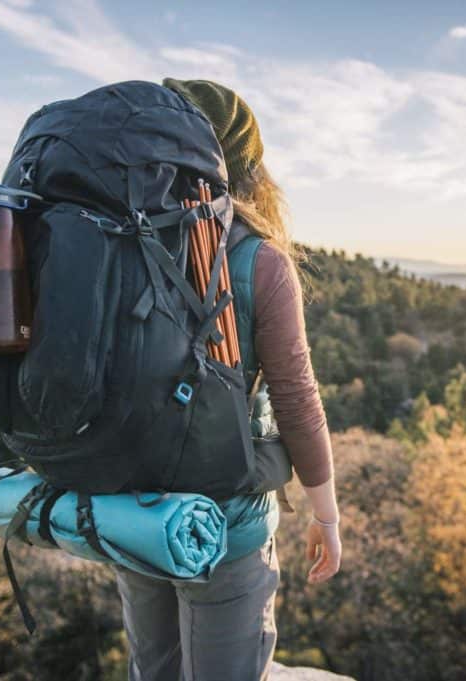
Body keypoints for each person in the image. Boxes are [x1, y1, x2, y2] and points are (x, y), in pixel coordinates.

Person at [112, 78, 341, 681]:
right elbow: (296, 399)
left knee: (151, 670)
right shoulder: (257, 258)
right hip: (225, 518)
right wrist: (326, 516)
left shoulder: (118, 238)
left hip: (133, 505)